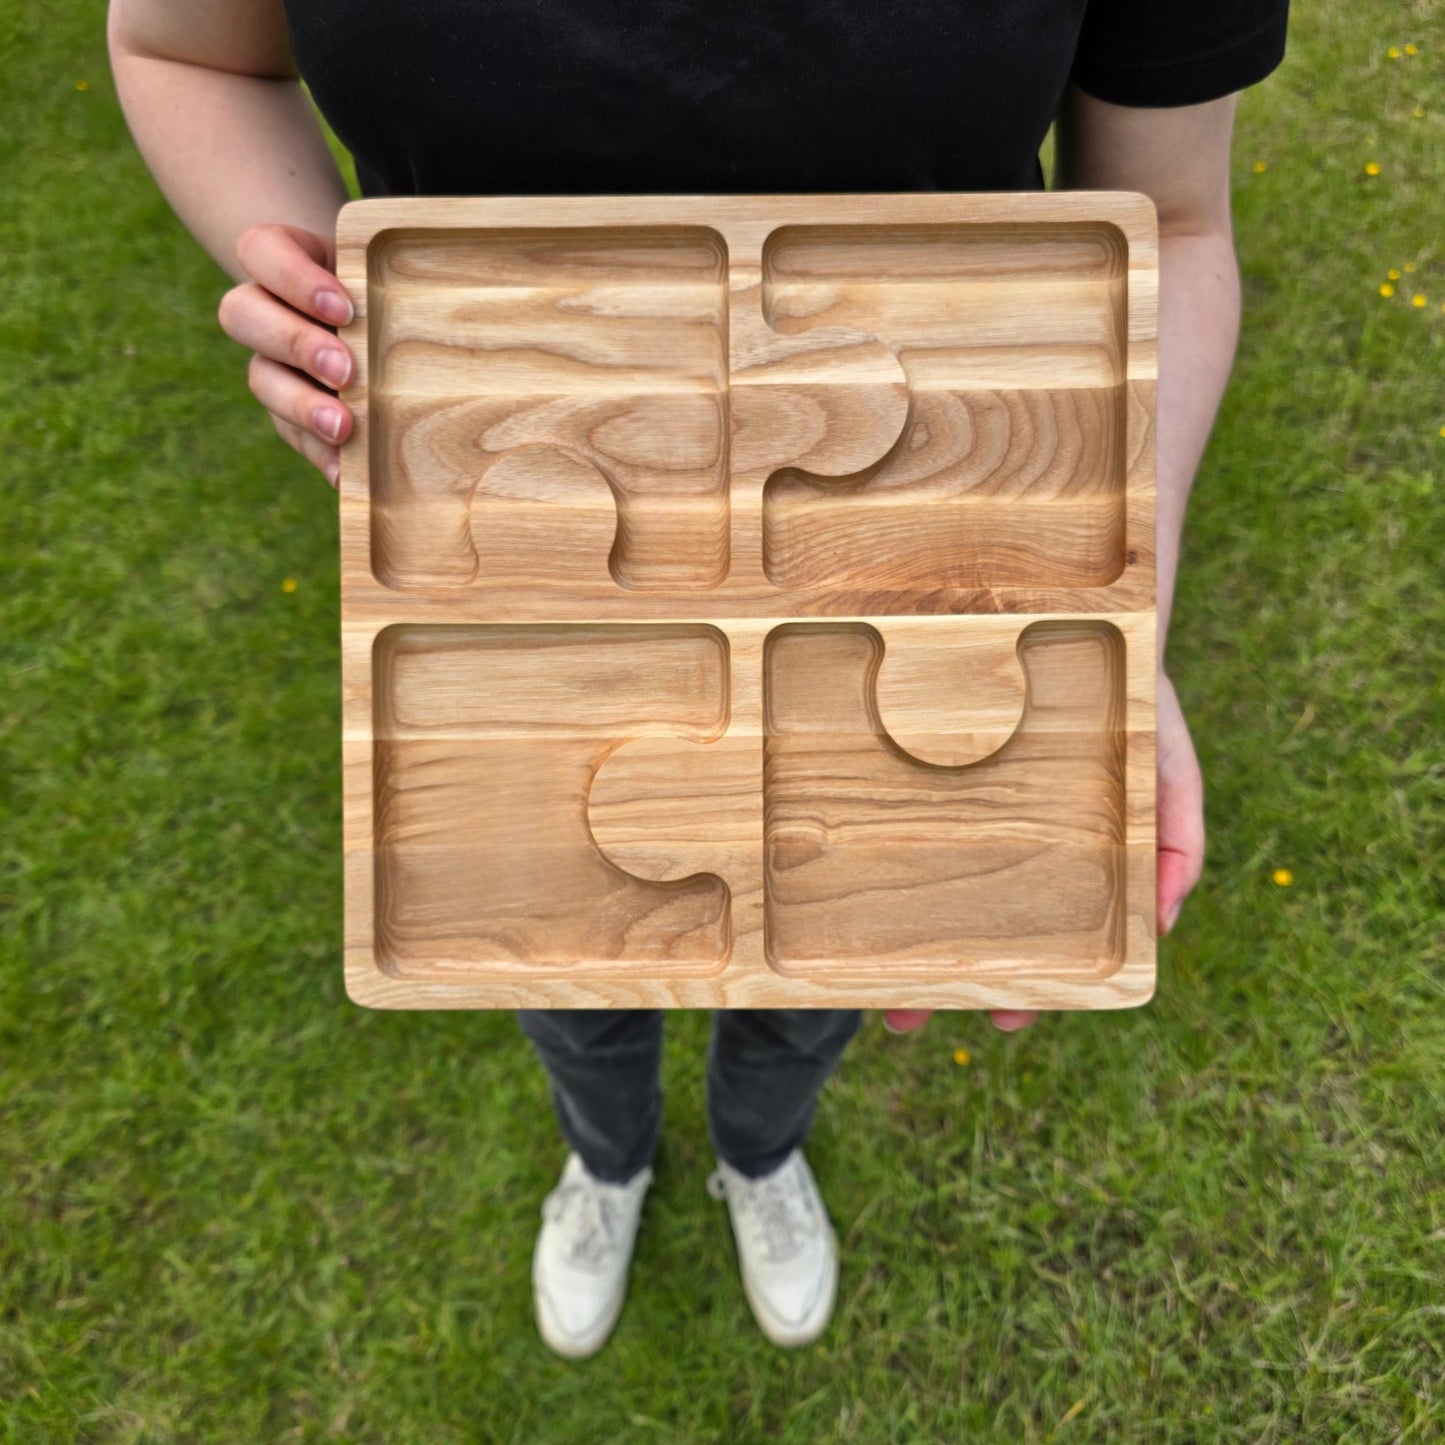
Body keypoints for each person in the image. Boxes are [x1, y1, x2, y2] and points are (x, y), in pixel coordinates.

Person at [108, 0, 1290, 1360]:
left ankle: (757, 1152)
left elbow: (1172, 223)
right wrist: (336, 316)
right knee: (564, 967)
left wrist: (1111, 599)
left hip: (905, 593)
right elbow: (182, 48)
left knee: (808, 976)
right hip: (517, 603)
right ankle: (606, 1159)